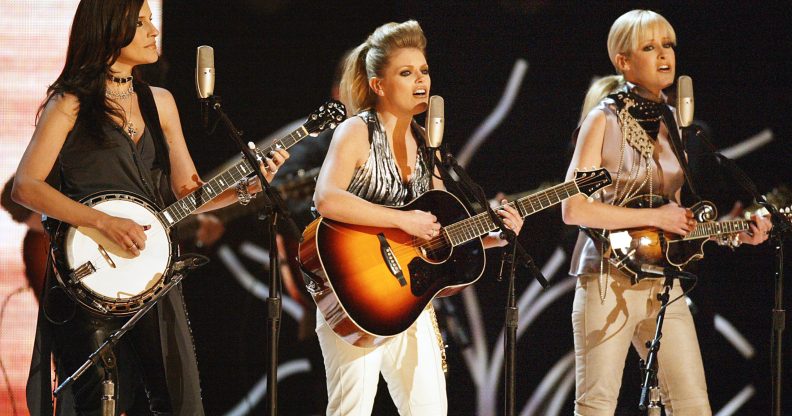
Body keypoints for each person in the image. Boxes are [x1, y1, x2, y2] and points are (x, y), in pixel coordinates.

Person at [11, 1, 288, 414]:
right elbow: (25, 187)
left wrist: (246, 187)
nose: (152, 30)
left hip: (153, 276)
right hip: (88, 281)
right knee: (94, 404)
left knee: (182, 404)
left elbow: (187, 193)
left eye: (151, 20)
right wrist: (102, 221)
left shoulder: (161, 101)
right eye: (139, 23)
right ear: (109, 29)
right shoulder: (69, 103)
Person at [561, 10, 772, 416]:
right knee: (597, 404)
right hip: (607, 278)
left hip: (663, 278)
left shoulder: (673, 121)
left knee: (692, 404)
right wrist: (657, 219)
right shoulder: (601, 119)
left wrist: (732, 232)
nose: (664, 55)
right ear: (623, 61)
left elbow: (676, 216)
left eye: (669, 45)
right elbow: (574, 208)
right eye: (649, 47)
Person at [312, 20, 524, 415]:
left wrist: (491, 236)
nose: (420, 80)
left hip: (410, 299)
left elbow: (440, 233)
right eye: (406, 73)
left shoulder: (428, 144)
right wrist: (402, 221)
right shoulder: (356, 131)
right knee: (351, 409)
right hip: (354, 294)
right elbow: (326, 199)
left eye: (423, 71)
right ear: (378, 85)